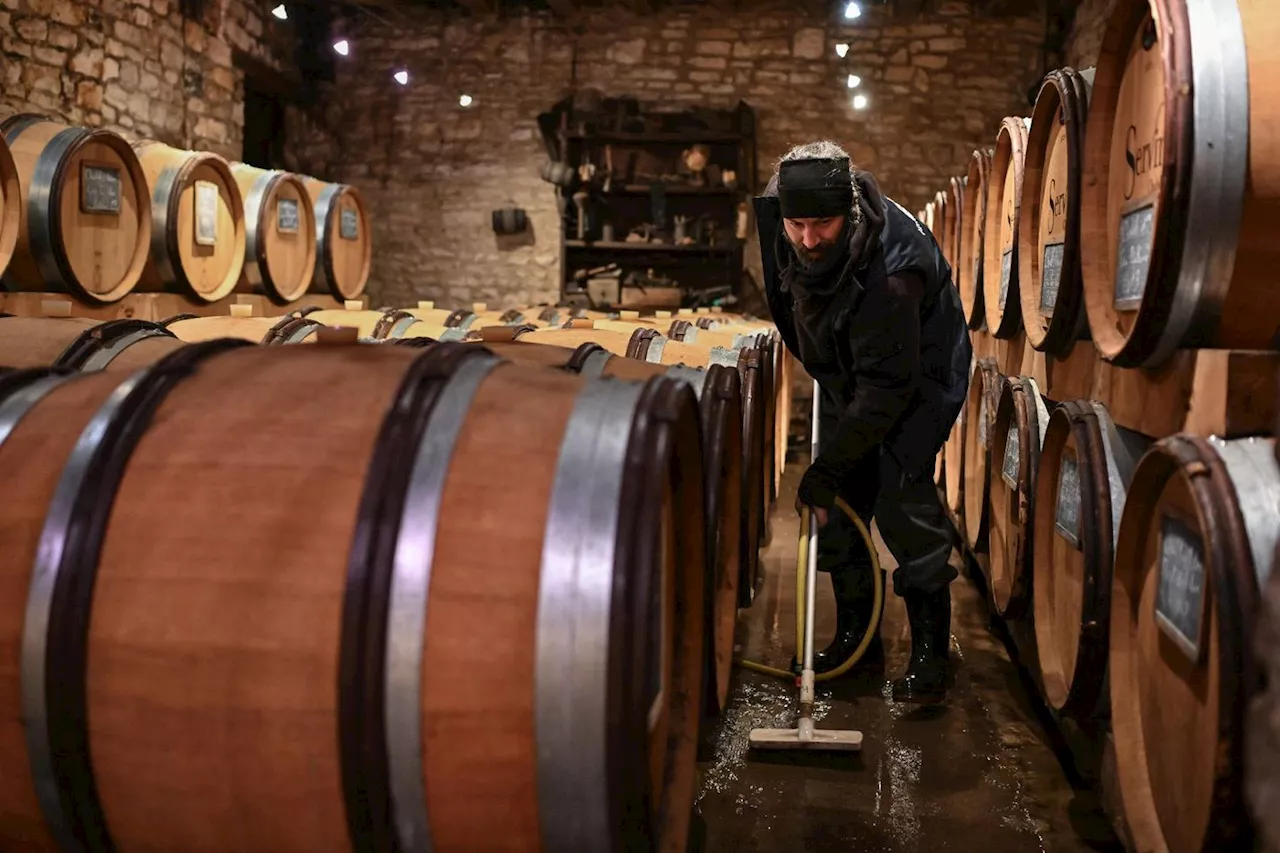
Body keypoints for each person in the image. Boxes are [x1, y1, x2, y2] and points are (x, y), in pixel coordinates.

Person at [753, 142, 972, 702]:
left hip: (920, 374)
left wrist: (827, 466)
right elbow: (788, 307)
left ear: (848, 212)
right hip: (851, 367)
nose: (807, 239)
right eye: (797, 224)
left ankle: (930, 654)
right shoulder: (785, 230)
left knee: (901, 497)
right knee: (840, 504)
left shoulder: (894, 272)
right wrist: (834, 467)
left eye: (820, 224)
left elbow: (888, 389)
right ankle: (858, 643)